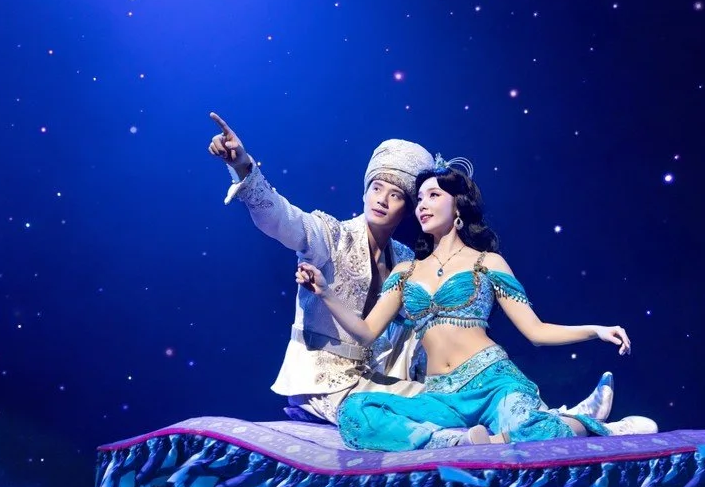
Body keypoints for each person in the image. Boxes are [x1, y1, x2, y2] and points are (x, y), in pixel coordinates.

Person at [208, 114, 613, 426]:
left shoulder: (406, 258)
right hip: (324, 382)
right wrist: (243, 167)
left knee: (455, 400)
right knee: (424, 412)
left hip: (389, 378)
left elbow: (500, 327)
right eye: (376, 188)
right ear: (364, 190)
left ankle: (561, 419)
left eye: (397, 194)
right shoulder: (329, 235)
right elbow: (281, 219)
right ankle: (559, 421)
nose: (382, 200)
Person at [295, 156, 659, 450]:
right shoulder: (406, 271)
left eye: (433, 195)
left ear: (457, 206)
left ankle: (591, 425)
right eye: (419, 199)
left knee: (531, 431)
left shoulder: (488, 263)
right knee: (357, 411)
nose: (422, 205)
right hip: (440, 396)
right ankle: (456, 442)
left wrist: (595, 330)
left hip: (493, 383)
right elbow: (365, 333)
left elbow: (536, 332)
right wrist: (325, 292)